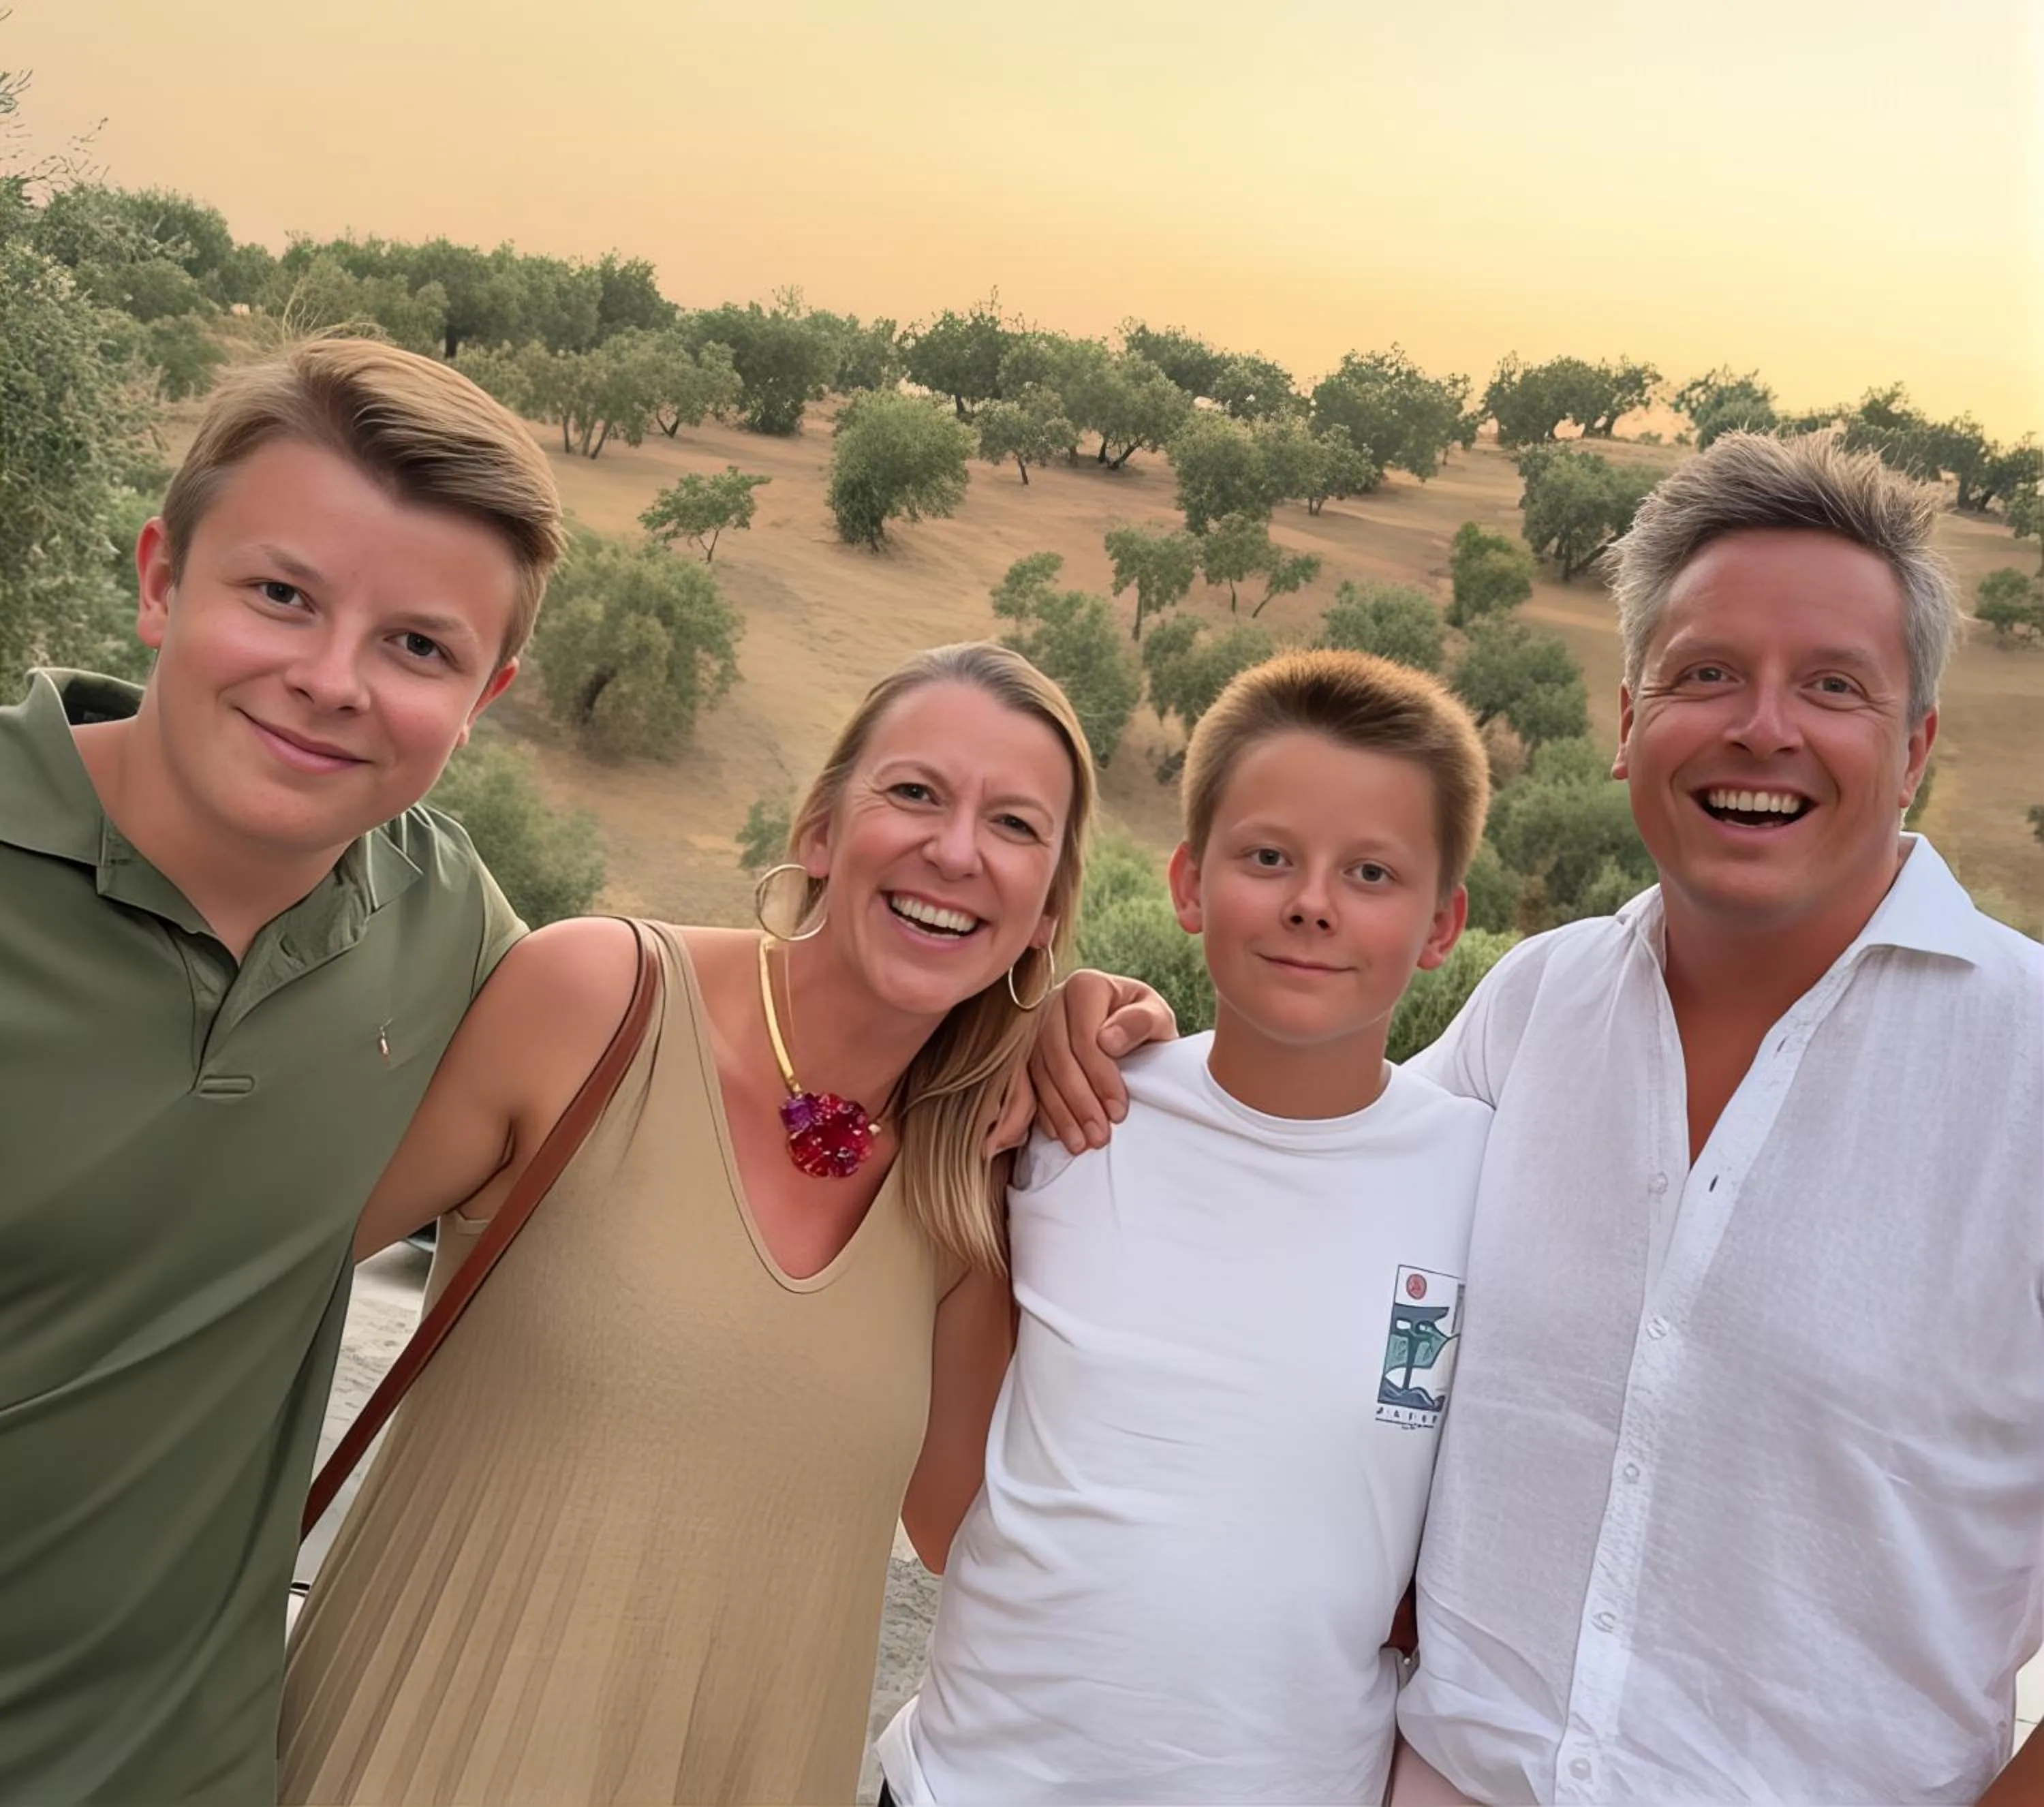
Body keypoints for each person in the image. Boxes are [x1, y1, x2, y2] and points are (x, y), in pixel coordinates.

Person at [1038, 433, 2044, 1804]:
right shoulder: (1538, 1005)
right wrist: (1097, 1036)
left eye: (1833, 686)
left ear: (1915, 745)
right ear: (1628, 721)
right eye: (1706, 674)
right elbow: (1319, 1185)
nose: (1763, 725)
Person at [277, 643, 1097, 1807]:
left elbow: (970, 1531)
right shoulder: (593, 1003)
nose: (956, 852)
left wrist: (1130, 1061)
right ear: (820, 830)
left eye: (1016, 827)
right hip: (418, 1756)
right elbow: (254, 1277)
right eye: (914, 793)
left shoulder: (978, 1181)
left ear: (1050, 907)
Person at [0, 338, 564, 1806]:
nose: (331, 682)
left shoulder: (448, 924)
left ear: (486, 693)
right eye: (281, 595)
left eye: (418, 647)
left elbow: (726, 1064)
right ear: (160, 580)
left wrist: (1055, 1017)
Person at [878, 649, 1494, 1806]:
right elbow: (946, 1510)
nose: (1312, 901)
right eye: (1268, 858)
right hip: (969, 1785)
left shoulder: (1484, 1183)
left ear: (1442, 922)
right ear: (1189, 883)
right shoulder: (1066, 1112)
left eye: (1371, 871)